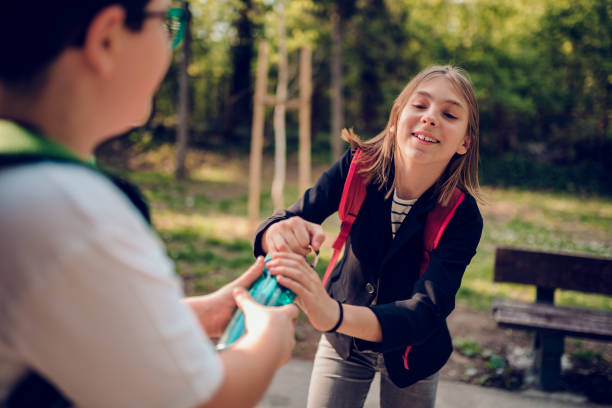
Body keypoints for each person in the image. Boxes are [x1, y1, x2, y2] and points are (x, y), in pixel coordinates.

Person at [0, 1, 298, 407]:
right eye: (168, 23)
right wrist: (267, 341)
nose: (170, 45)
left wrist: (197, 316)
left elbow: (63, 319)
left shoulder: (25, 186)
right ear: (106, 38)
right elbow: (203, 399)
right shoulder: (69, 210)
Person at [254, 65, 484, 407]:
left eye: (449, 114)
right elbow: (286, 219)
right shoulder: (357, 168)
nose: (430, 117)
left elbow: (425, 312)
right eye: (419, 106)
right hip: (343, 343)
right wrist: (279, 233)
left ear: (465, 141)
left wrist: (333, 313)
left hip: (412, 354)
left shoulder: (462, 216)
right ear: (395, 119)